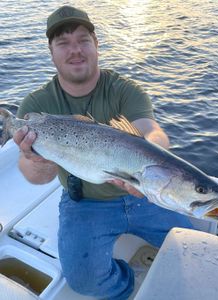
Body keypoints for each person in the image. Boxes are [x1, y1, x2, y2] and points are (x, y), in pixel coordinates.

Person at [14, 5, 192, 300]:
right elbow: (35, 177)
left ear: (96, 45)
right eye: (63, 43)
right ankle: (127, 284)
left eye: (83, 40)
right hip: (85, 203)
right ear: (51, 51)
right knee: (84, 281)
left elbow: (152, 131)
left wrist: (152, 160)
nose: (76, 51)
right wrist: (37, 158)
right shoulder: (37, 104)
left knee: (194, 249)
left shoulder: (125, 90)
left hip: (144, 195)